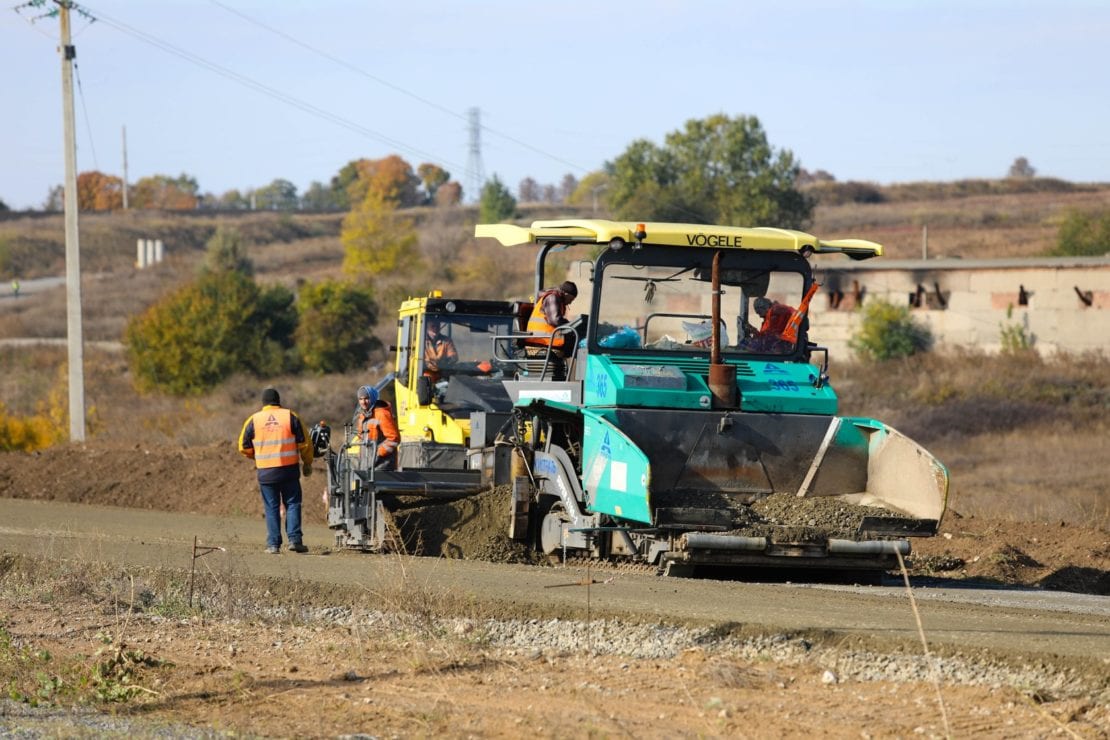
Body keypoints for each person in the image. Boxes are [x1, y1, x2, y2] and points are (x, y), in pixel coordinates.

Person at [237, 387, 313, 554]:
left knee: (271, 507)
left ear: (263, 403)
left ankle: (273, 545)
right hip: (289, 470)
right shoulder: (290, 416)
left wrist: (257, 457)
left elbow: (243, 446)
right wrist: (307, 462)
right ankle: (295, 540)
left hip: (266, 472)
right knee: (292, 503)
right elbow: (305, 443)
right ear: (278, 401)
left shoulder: (254, 419)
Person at [523, 281, 578, 378]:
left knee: (574, 340)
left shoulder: (557, 299)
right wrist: (571, 326)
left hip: (545, 339)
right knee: (576, 342)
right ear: (566, 294)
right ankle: (575, 377)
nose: (570, 302)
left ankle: (570, 376)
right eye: (571, 299)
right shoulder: (553, 298)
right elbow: (555, 320)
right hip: (541, 340)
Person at [352, 385, 400, 471]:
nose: (363, 402)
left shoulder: (382, 414)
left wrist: (377, 453)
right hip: (367, 466)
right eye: (360, 399)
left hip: (383, 467)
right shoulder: (362, 416)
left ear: (373, 398)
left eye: (366, 398)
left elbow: (394, 438)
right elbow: (361, 439)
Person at [424, 318, 458, 383]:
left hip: (443, 373)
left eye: (437, 326)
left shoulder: (447, 341)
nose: (435, 329)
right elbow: (418, 361)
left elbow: (454, 357)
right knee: (426, 378)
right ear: (426, 328)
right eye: (432, 326)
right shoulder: (419, 342)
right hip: (426, 373)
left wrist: (443, 364)